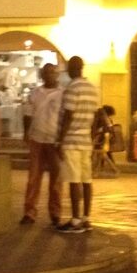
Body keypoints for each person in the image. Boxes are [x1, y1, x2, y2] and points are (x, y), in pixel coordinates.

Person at [55, 56, 100, 233]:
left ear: (72, 69)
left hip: (72, 140)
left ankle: (75, 220)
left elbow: (68, 115)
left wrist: (60, 139)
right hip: (86, 140)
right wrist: (91, 133)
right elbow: (96, 115)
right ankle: (86, 218)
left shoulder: (72, 88)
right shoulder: (92, 88)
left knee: (74, 180)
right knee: (86, 179)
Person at [20, 62, 63, 227]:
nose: (49, 75)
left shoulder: (62, 94)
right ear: (42, 75)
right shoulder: (35, 93)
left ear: (57, 75)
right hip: (37, 138)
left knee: (56, 179)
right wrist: (26, 133)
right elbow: (27, 113)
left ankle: (55, 213)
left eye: (53, 72)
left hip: (54, 140)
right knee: (33, 178)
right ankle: (29, 212)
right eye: (47, 72)